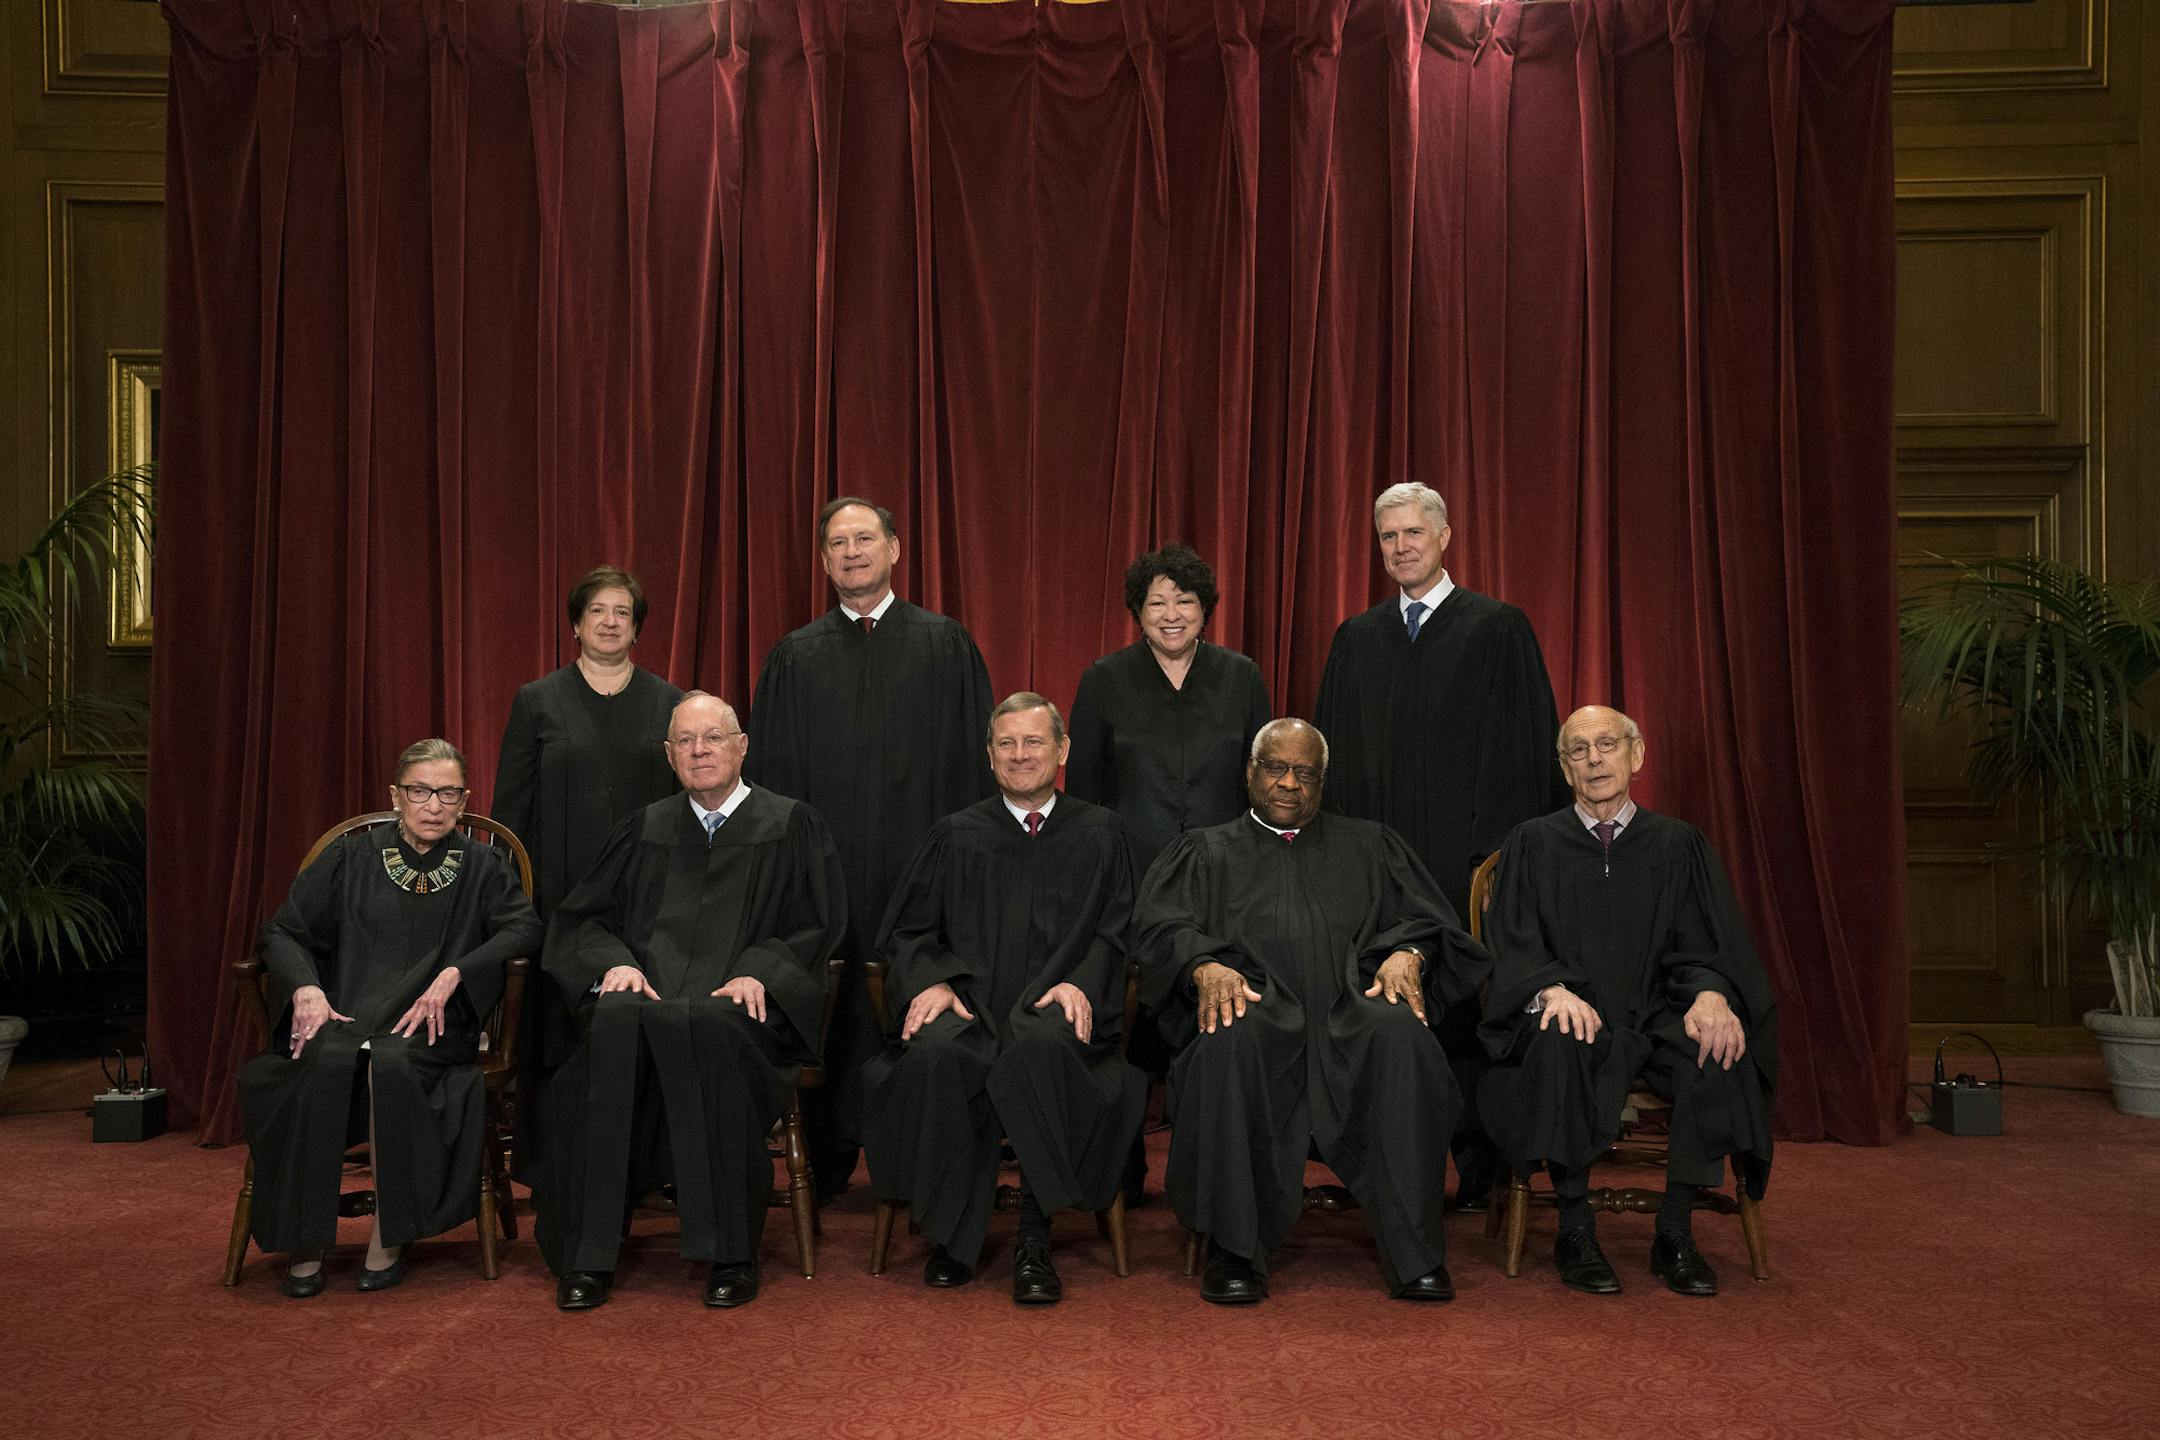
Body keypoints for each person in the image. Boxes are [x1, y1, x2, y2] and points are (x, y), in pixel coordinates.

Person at [1135, 719, 1489, 1305]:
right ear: (1250, 773)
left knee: (1402, 1038)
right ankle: (1235, 1248)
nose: (1289, 784)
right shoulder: (1204, 850)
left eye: (1305, 772)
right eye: (1276, 768)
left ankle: (1415, 1252)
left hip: (1355, 1009)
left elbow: (1429, 921)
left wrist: (1409, 952)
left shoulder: (1370, 844)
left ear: (1323, 781)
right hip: (1255, 1007)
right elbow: (1160, 928)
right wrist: (1201, 965)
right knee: (1229, 1037)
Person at [535, 693, 846, 1311]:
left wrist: (761, 970)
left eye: (712, 737)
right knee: (612, 1026)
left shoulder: (792, 824)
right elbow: (581, 920)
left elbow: (821, 925)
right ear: (669, 754)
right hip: (648, 1006)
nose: (699, 750)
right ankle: (589, 1255)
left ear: (741, 746)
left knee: (709, 1024)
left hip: (740, 1016)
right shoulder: (644, 828)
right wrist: (614, 964)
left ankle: (731, 1252)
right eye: (685, 741)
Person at [1311, 481, 1563, 1210]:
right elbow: (1339, 768)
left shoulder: (1497, 628)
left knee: (1462, 1012)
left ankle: (1477, 1158)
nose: (1402, 547)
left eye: (1414, 533)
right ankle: (1377, 1158)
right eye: (1389, 537)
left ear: (1446, 536)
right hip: (1380, 872)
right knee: (1382, 1008)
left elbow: (1521, 756)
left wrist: (1490, 863)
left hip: (1464, 865)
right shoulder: (1357, 640)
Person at [1477, 706, 1778, 1298]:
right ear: (1564, 769)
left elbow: (1710, 943)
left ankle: (1674, 1231)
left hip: (1661, 1010)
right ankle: (1575, 1227)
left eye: (1607, 744)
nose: (1595, 759)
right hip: (1576, 1012)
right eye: (1579, 750)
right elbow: (1511, 945)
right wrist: (1549, 990)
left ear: (1635, 756)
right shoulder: (1532, 843)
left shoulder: (1679, 844)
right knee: (1558, 1039)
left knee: (1717, 1042)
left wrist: (1712, 993)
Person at [863, 694, 1146, 1304]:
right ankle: (950, 1237)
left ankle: (1034, 1239)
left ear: (1063, 751)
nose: (1021, 756)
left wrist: (1082, 983)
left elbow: (1119, 933)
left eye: (1034, 742)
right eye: (1007, 744)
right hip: (972, 1005)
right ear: (989, 756)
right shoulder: (955, 835)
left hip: (1057, 1004)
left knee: (1045, 1045)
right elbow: (909, 931)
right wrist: (932, 981)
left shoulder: (1102, 833)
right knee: (938, 1053)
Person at [747, 497, 994, 1198]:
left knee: (916, 1005)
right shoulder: (795, 658)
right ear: (824, 561)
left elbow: (975, 775)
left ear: (894, 549)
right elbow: (768, 785)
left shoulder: (945, 645)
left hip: (920, 875)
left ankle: (918, 1171)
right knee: (830, 1006)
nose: (851, 552)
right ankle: (821, 1164)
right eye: (837, 543)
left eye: (864, 538)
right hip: (824, 880)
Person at [240, 739, 542, 1297]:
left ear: (464, 798)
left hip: (431, 1026)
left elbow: (524, 928)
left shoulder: (482, 863)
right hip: (345, 1010)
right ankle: (308, 1237)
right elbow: (283, 931)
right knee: (321, 1059)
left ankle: (391, 1232)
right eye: (420, 791)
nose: (434, 805)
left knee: (396, 1062)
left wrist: (458, 972)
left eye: (448, 793)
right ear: (396, 796)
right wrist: (305, 986)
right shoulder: (350, 857)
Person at [492, 565, 683, 1179]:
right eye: (596, 611)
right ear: (576, 624)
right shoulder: (537, 700)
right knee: (560, 1032)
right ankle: (559, 1165)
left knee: (643, 1022)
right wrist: (516, 907)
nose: (608, 621)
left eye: (621, 612)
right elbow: (510, 815)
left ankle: (647, 1165)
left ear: (637, 629)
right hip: (558, 898)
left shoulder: (670, 703)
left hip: (647, 900)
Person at [1066, 544, 1271, 878]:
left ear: (1204, 608)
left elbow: (1260, 780)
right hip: (1131, 870)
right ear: (1139, 611)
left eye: (1185, 601)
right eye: (1157, 603)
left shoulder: (1242, 676)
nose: (1171, 615)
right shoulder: (1103, 679)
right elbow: (1083, 792)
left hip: (1226, 869)